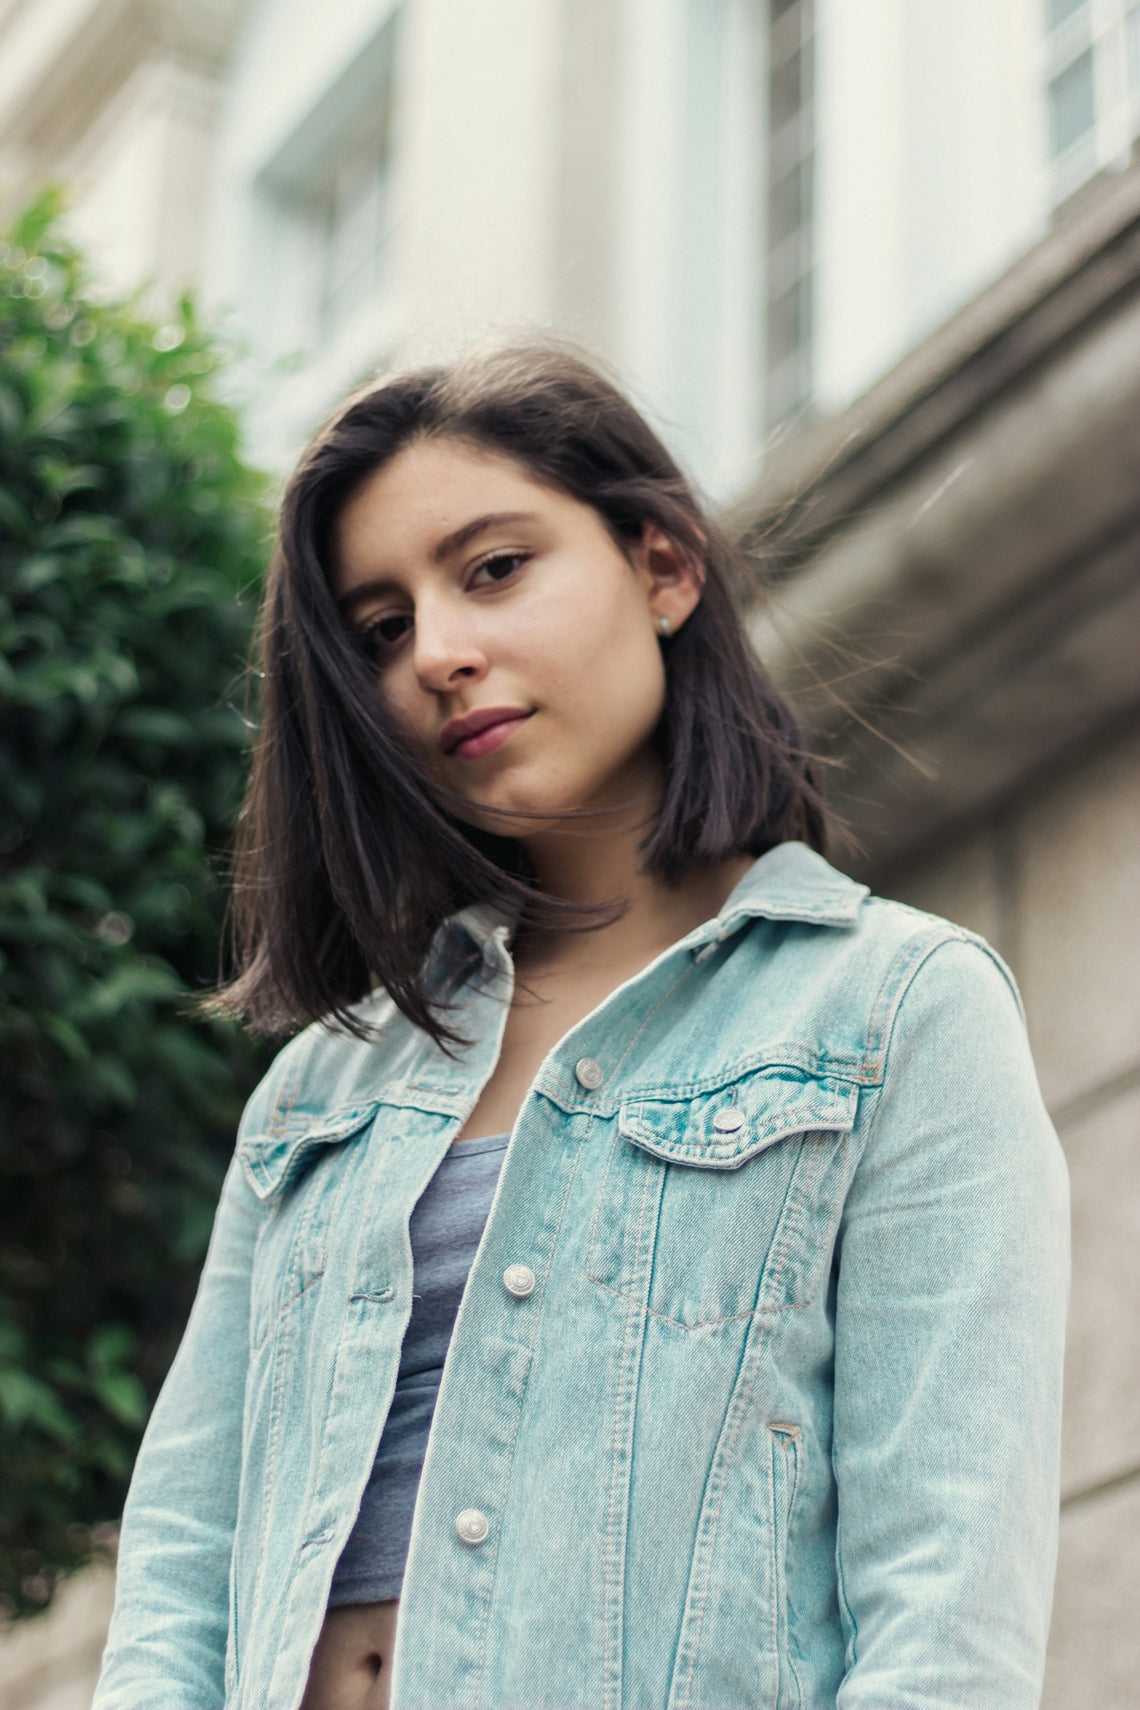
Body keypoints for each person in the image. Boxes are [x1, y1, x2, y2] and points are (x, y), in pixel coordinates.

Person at [93, 342, 1069, 1710]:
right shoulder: (321, 1090)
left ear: (664, 565)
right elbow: (186, 1566)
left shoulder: (894, 1011)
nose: (439, 651)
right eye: (382, 627)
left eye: (493, 568)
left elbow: (946, 1613)